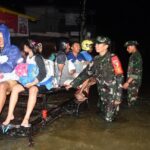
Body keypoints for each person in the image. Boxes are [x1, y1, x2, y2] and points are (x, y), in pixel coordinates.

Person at [66, 36, 124, 122]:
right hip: (101, 94)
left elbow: (120, 76)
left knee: (108, 119)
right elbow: (86, 73)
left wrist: (118, 97)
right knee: (103, 116)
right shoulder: (96, 59)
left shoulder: (113, 58)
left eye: (99, 44)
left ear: (106, 46)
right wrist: (72, 83)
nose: (96, 46)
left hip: (112, 94)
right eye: (96, 44)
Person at [2, 39, 47, 129]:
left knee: (32, 90)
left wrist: (32, 83)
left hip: (40, 82)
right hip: (28, 81)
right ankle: (10, 115)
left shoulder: (37, 57)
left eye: (25, 46)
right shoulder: (27, 58)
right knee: (15, 88)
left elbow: (43, 73)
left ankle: (26, 119)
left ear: (28, 47)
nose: (24, 48)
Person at [0, 24, 21, 114]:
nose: (0, 40)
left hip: (11, 80)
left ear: (6, 36)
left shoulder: (13, 49)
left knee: (2, 86)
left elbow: (8, 68)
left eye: (2, 36)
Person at [123, 41, 143, 107]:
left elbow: (136, 72)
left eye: (128, 47)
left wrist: (127, 82)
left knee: (132, 102)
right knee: (130, 100)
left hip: (134, 82)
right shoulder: (133, 56)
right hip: (132, 82)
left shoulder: (137, 56)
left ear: (133, 46)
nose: (127, 49)